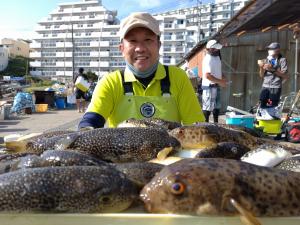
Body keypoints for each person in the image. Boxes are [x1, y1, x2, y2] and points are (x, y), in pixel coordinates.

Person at [78, 12, 205, 129]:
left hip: (170, 153)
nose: (140, 48)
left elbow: (197, 127)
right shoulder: (110, 82)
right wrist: (84, 132)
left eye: (148, 40)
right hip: (121, 154)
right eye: (132, 41)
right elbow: (91, 120)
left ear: (159, 45)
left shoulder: (178, 77)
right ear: (121, 48)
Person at [201, 40, 227, 123]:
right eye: (216, 49)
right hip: (209, 86)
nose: (218, 50)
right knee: (207, 107)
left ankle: (216, 124)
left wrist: (223, 77)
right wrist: (220, 81)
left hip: (216, 85)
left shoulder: (217, 57)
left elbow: (217, 70)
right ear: (211, 49)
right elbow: (207, 75)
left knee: (217, 107)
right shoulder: (208, 59)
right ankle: (206, 125)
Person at [258, 42, 288, 110]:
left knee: (272, 106)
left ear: (278, 50)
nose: (269, 50)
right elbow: (261, 75)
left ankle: (272, 119)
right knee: (262, 104)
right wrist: (261, 67)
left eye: (271, 49)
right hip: (265, 86)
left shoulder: (282, 60)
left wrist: (272, 69)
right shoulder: (265, 60)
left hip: (275, 87)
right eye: (269, 49)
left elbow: (285, 75)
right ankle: (263, 119)